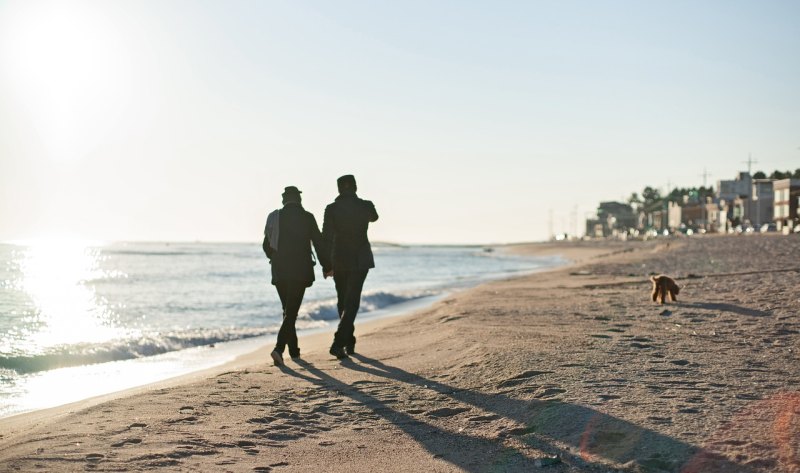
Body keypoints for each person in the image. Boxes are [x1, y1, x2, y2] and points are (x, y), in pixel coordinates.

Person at [263, 186, 329, 367]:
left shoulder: (274, 217)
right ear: (299, 199)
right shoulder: (307, 217)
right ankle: (278, 349)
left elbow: (266, 246)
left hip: (279, 270)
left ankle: (294, 351)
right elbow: (319, 244)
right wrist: (327, 266)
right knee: (291, 311)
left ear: (284, 200)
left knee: (288, 310)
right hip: (300, 271)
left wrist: (276, 258)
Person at [321, 175, 379, 359]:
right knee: (352, 302)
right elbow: (374, 217)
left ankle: (347, 340)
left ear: (339, 189)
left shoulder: (332, 209)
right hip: (360, 259)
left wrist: (327, 264)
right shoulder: (365, 205)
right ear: (355, 187)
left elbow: (326, 237)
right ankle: (341, 341)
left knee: (343, 301)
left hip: (339, 258)